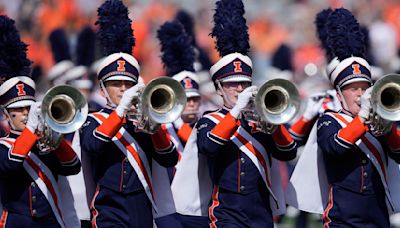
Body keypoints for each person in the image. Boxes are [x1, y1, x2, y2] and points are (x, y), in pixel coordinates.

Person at [287, 8, 400, 227]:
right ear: (339, 94)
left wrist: (388, 127)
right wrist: (364, 117)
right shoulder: (328, 120)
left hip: (378, 219)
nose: (360, 94)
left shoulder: (381, 120)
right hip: (342, 220)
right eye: (352, 89)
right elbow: (335, 147)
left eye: (364, 87)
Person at [194, 0, 297, 227]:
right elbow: (208, 146)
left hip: (262, 214)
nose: (239, 88)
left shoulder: (261, 118)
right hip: (226, 214)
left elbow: (288, 152)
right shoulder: (208, 120)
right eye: (232, 84)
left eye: (244, 82)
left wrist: (274, 121)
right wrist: (236, 112)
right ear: (219, 88)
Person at [80, 1, 179, 227]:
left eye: (128, 83)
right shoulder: (92, 120)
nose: (123, 88)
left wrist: (155, 129)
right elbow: (92, 145)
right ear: (102, 89)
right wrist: (121, 111)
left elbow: (169, 158)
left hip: (141, 207)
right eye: (116, 84)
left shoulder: (145, 118)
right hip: (107, 207)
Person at [0, 15, 80, 228]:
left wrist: (56, 138)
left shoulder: (45, 142)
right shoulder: (3, 145)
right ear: (7, 116)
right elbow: (10, 163)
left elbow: (73, 166)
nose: (26, 114)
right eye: (18, 110)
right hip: (16, 223)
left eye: (28, 107)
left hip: (51, 221)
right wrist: (32, 129)